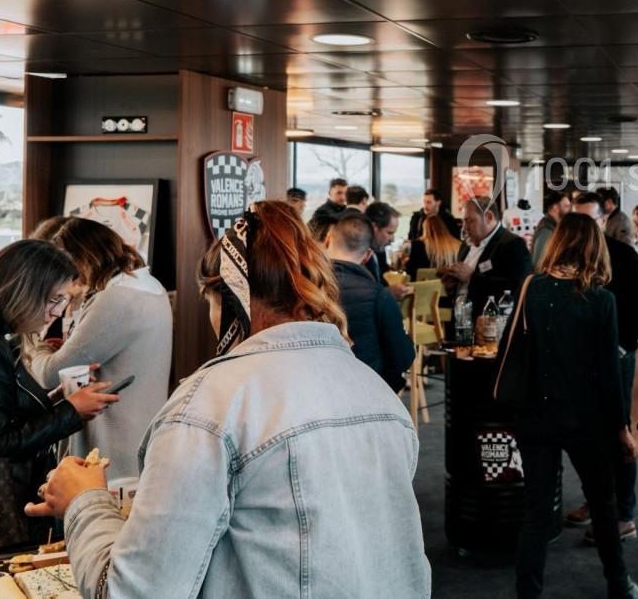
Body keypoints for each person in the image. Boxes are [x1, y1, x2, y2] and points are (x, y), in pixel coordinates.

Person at [30, 201, 430, 599]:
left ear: (228, 299)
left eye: (209, 302)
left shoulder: (210, 407)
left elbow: (134, 591)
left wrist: (84, 501)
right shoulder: (376, 392)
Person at [511, 213, 638, 599]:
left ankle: (527, 594)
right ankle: (619, 586)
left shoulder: (532, 288)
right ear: (595, 247)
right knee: (603, 504)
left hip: (535, 415)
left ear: (557, 242)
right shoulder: (599, 300)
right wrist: (622, 429)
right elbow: (609, 376)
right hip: (585, 419)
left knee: (535, 513)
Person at [0, 240, 118, 550]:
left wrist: (55, 399)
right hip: (0, 511)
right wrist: (70, 412)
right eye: (54, 299)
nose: (58, 311)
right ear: (23, 291)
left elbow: (0, 415)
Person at [26, 218, 172, 480]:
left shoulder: (119, 298)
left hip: (110, 454)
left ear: (79, 260)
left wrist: (35, 342)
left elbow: (49, 374)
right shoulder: (147, 286)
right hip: (132, 443)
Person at [564, 192, 638, 543]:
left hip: (617, 358)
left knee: (618, 434)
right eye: (578, 220)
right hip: (582, 361)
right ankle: (597, 500)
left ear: (603, 220)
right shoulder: (569, 260)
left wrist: (620, 346)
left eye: (589, 220)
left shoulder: (623, 256)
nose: (582, 228)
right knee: (587, 436)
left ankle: (624, 514)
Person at [325, 211, 415, 392]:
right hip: (367, 391)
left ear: (328, 240)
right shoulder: (379, 296)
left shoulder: (306, 290)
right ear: (367, 255)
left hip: (317, 391)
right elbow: (403, 357)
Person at [441, 197, 533, 316]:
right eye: (464, 221)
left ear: (488, 217)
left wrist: (471, 277)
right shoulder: (465, 245)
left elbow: (516, 288)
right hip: (459, 320)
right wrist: (452, 283)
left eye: (470, 221)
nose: (465, 227)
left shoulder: (513, 244)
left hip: (489, 322)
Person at [406, 214, 462, 280]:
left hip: (424, 287)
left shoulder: (418, 245)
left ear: (425, 229)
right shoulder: (457, 244)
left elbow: (411, 272)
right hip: (451, 288)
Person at [531, 190, 571, 268]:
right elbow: (538, 264)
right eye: (566, 206)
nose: (570, 210)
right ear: (555, 207)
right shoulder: (546, 231)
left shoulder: (554, 227)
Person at [364, 201, 400, 285]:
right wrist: (389, 292)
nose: (392, 240)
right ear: (374, 227)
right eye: (389, 233)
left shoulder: (379, 252)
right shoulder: (357, 256)